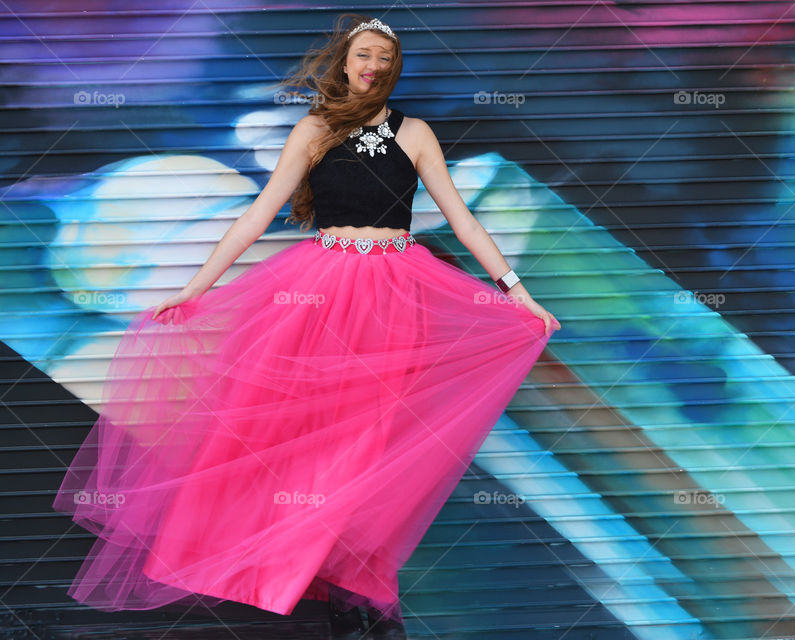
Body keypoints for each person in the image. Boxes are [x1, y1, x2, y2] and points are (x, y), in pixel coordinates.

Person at [52, 13, 560, 640]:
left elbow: (462, 221)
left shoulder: (417, 133)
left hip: (397, 293)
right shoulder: (314, 130)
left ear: (392, 69)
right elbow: (257, 216)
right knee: (295, 433)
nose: (372, 66)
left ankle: (351, 583)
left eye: (384, 58)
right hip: (317, 290)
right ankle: (276, 573)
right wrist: (193, 289)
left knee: (367, 445)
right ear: (346, 64)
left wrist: (517, 294)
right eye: (363, 55)